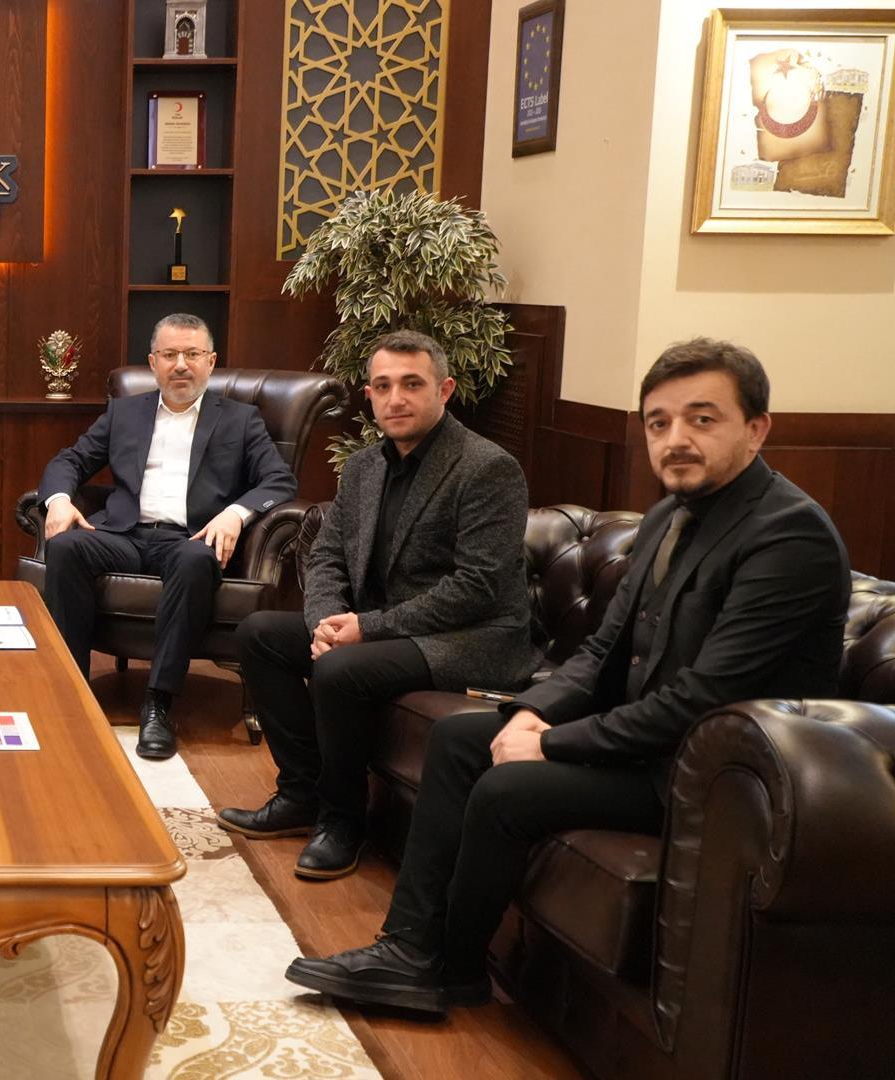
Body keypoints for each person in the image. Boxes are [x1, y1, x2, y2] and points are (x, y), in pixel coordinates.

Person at [284, 339, 850, 1014]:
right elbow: (603, 649)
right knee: (460, 740)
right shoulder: (670, 515)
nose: (676, 439)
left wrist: (551, 743)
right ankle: (411, 949)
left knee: (507, 787)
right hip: (651, 745)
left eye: (703, 419)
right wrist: (533, 711)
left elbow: (705, 698)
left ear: (756, 428)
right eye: (659, 421)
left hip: (716, 779)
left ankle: (449, 967)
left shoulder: (789, 537)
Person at [218, 330, 537, 880]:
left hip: (470, 637)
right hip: (385, 630)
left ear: (444, 390)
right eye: (383, 386)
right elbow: (327, 556)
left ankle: (343, 821)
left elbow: (476, 587)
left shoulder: (488, 467)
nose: (396, 399)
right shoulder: (365, 466)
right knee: (259, 633)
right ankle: (301, 794)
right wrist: (324, 623)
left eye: (412, 384)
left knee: (341, 668)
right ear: (368, 395)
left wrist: (366, 628)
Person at [38, 313, 296, 760]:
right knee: (66, 547)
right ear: (153, 362)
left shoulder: (240, 420)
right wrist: (59, 500)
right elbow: (70, 460)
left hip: (190, 540)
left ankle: (158, 703)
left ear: (210, 362)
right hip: (124, 534)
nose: (181, 365)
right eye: (170, 354)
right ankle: (70, 688)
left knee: (196, 561)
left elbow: (278, 479)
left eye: (192, 354)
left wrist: (235, 514)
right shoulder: (125, 412)